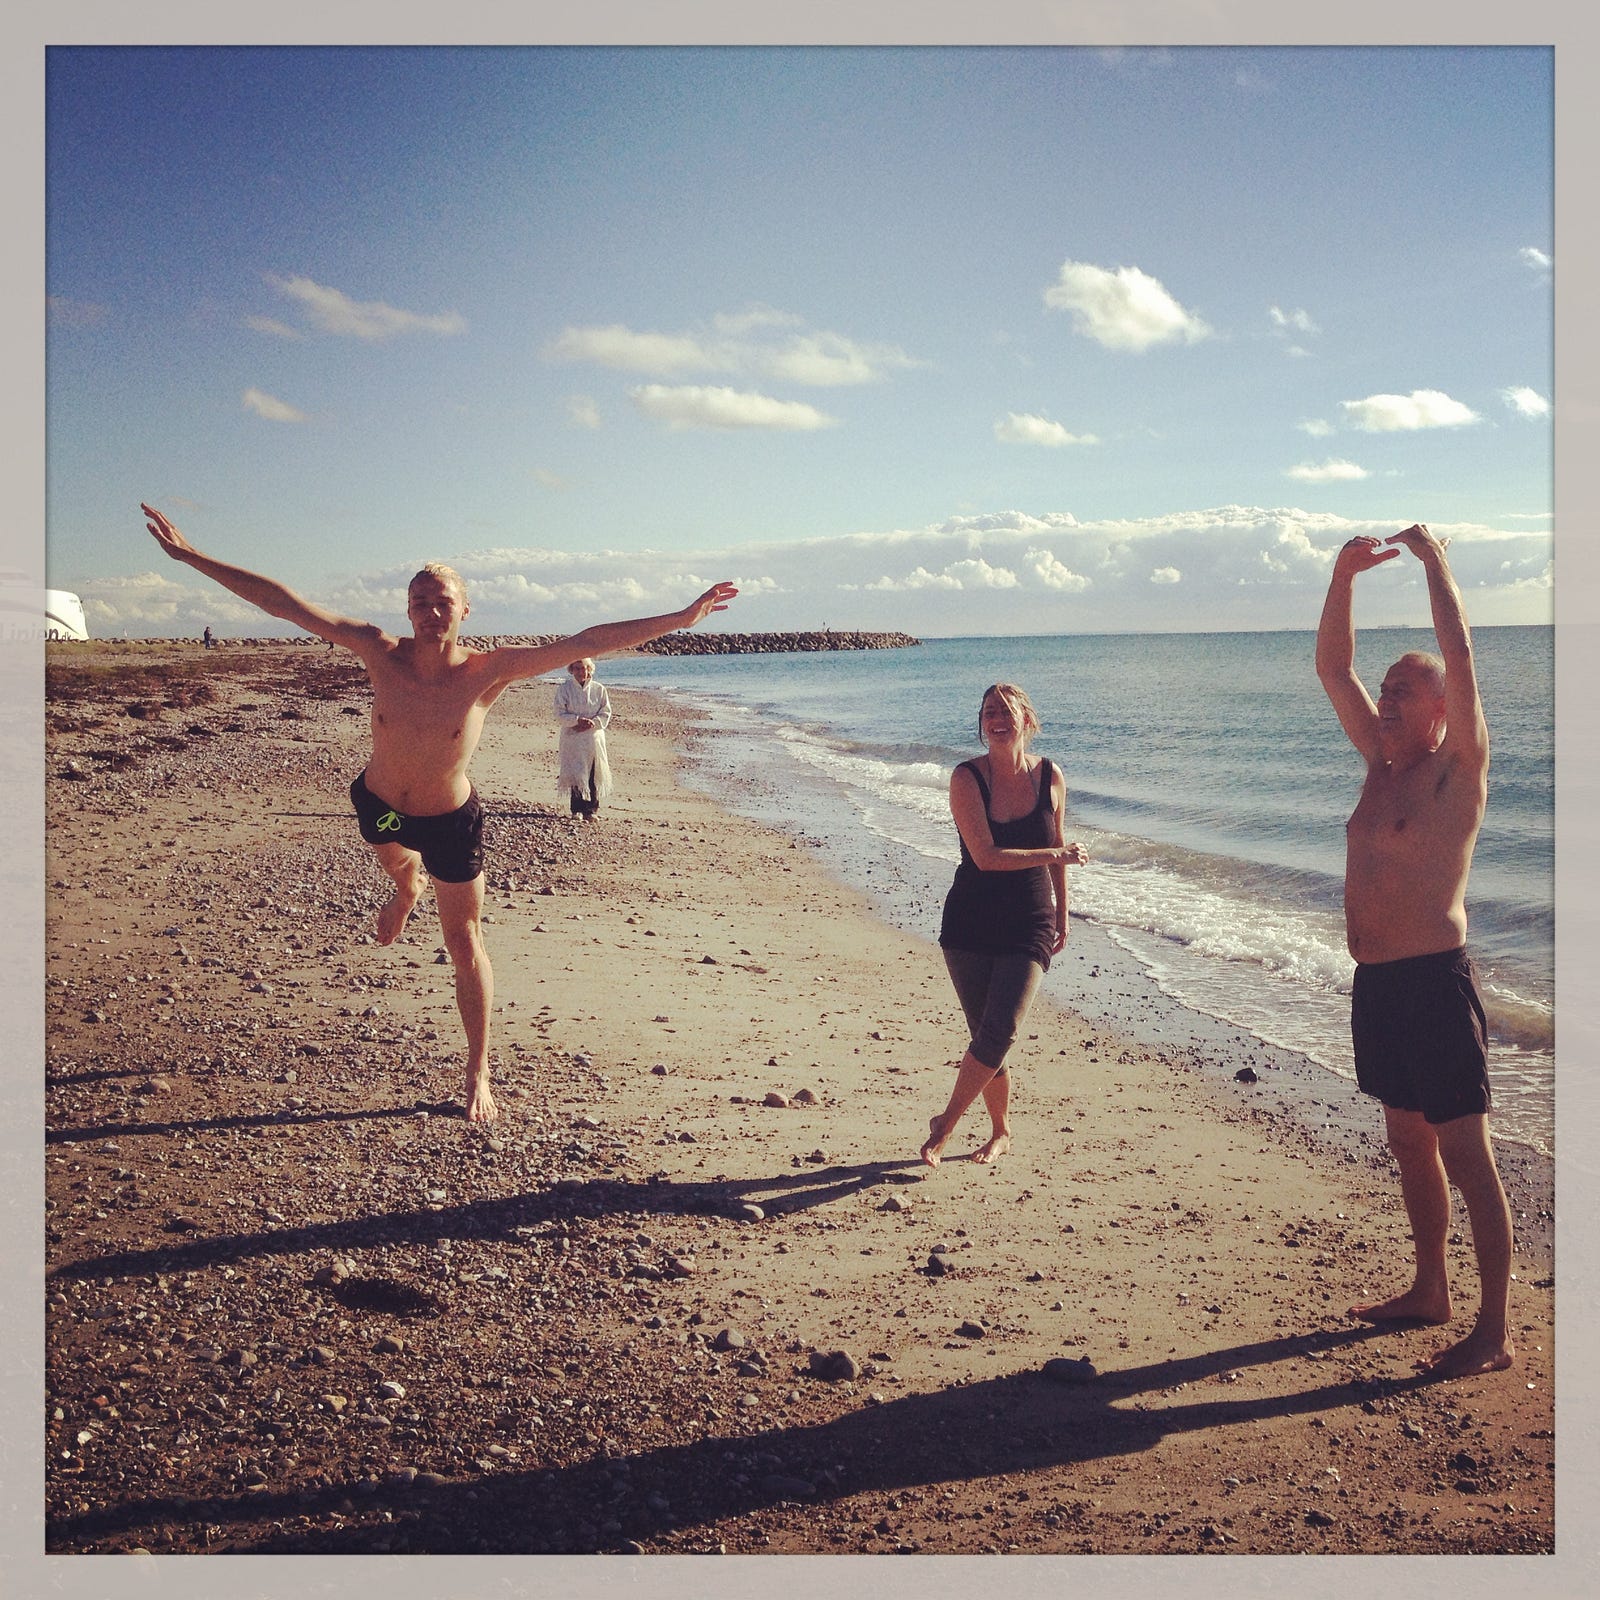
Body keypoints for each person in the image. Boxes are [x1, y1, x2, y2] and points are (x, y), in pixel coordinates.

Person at [141, 503, 736, 1125]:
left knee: (464, 940)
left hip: (449, 826)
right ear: (407, 610)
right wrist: (190, 557)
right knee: (397, 863)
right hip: (382, 810)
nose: (430, 612)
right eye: (420, 602)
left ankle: (478, 1068)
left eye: (442, 602)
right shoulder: (379, 651)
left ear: (464, 609)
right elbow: (287, 606)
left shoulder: (488, 671)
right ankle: (406, 888)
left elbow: (585, 641)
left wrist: (681, 619)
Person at [1315, 523, 1513, 1378]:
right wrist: (1342, 578)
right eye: (1386, 688)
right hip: (1378, 985)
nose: (1385, 698)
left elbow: (1459, 655)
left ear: (1440, 709)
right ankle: (1431, 1288)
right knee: (1407, 1140)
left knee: (1466, 1153)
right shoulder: (1380, 764)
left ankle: (1493, 1332)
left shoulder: (1455, 769)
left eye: (1403, 689)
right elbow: (1333, 669)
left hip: (1434, 984)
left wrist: (1436, 562)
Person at [921, 682, 1086, 1167]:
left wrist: (1062, 913)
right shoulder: (967, 778)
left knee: (1001, 1031)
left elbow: (1058, 844)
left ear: (1026, 721)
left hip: (1030, 922)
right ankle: (1001, 1131)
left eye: (1006, 712)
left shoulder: (1051, 775)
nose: (996, 719)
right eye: (988, 711)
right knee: (986, 1036)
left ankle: (944, 1124)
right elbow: (987, 857)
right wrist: (1056, 853)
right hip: (970, 922)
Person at [555, 657, 611, 818]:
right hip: (572, 736)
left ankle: (591, 809)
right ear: (572, 670)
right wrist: (576, 721)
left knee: (594, 772)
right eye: (577, 668)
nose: (581, 672)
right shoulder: (564, 689)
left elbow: (606, 712)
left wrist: (592, 723)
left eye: (585, 668)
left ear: (590, 669)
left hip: (593, 737)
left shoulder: (599, 689)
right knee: (575, 771)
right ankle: (577, 809)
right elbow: (559, 712)